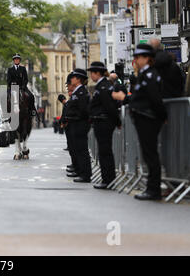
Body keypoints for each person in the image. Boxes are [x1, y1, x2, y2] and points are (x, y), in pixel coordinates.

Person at [113, 44, 167, 201]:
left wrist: (162, 115)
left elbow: (154, 99)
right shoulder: (144, 74)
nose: (135, 60)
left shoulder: (149, 75)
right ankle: (151, 188)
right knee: (148, 154)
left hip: (148, 118)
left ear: (147, 58)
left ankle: (153, 189)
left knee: (150, 155)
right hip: (143, 117)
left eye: (138, 57)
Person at [87, 62, 122, 190]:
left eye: (92, 72)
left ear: (98, 73)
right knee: (104, 151)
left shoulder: (103, 86)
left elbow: (109, 106)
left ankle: (108, 180)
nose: (91, 75)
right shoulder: (102, 85)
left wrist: (117, 122)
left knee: (105, 152)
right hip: (101, 121)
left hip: (104, 121)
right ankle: (107, 179)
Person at [64, 68, 92, 183]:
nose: (72, 79)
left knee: (82, 150)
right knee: (78, 149)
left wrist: (75, 118)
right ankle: (81, 171)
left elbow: (83, 110)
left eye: (74, 77)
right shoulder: (77, 91)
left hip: (79, 124)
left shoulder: (81, 92)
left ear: (79, 79)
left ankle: (85, 174)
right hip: (75, 123)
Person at [7, 53, 38, 117]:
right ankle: (6, 112)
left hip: (22, 87)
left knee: (31, 96)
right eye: (15, 59)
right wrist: (11, 84)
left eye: (18, 59)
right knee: (4, 97)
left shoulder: (23, 69)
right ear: (13, 60)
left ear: (19, 61)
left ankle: (32, 110)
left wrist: (23, 86)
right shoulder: (10, 69)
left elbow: (26, 79)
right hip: (13, 87)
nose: (16, 60)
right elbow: (8, 79)